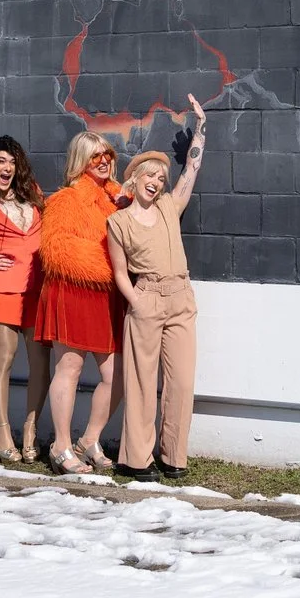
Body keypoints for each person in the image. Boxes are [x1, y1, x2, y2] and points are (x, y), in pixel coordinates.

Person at [108, 100, 209, 483]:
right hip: (145, 297)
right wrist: (137, 302)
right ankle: (136, 459)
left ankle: (172, 455)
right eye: (149, 175)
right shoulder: (118, 222)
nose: (156, 181)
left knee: (181, 382)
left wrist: (200, 128)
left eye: (160, 177)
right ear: (134, 180)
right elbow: (119, 271)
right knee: (141, 382)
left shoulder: (170, 206)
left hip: (181, 299)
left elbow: (192, 170)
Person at [35, 131, 125, 474]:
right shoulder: (65, 199)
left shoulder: (119, 199)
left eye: (107, 154)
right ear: (80, 161)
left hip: (104, 294)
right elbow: (56, 251)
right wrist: (112, 262)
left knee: (116, 375)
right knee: (69, 368)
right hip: (72, 291)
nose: (103, 161)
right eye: (94, 156)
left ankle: (88, 439)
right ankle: (60, 445)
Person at [0, 135, 49, 464]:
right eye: (1, 161)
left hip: (36, 288)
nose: (7, 167)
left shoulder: (32, 192)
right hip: (3, 288)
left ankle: (31, 429)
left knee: (40, 364)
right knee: (4, 360)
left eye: (11, 161)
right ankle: (2, 431)